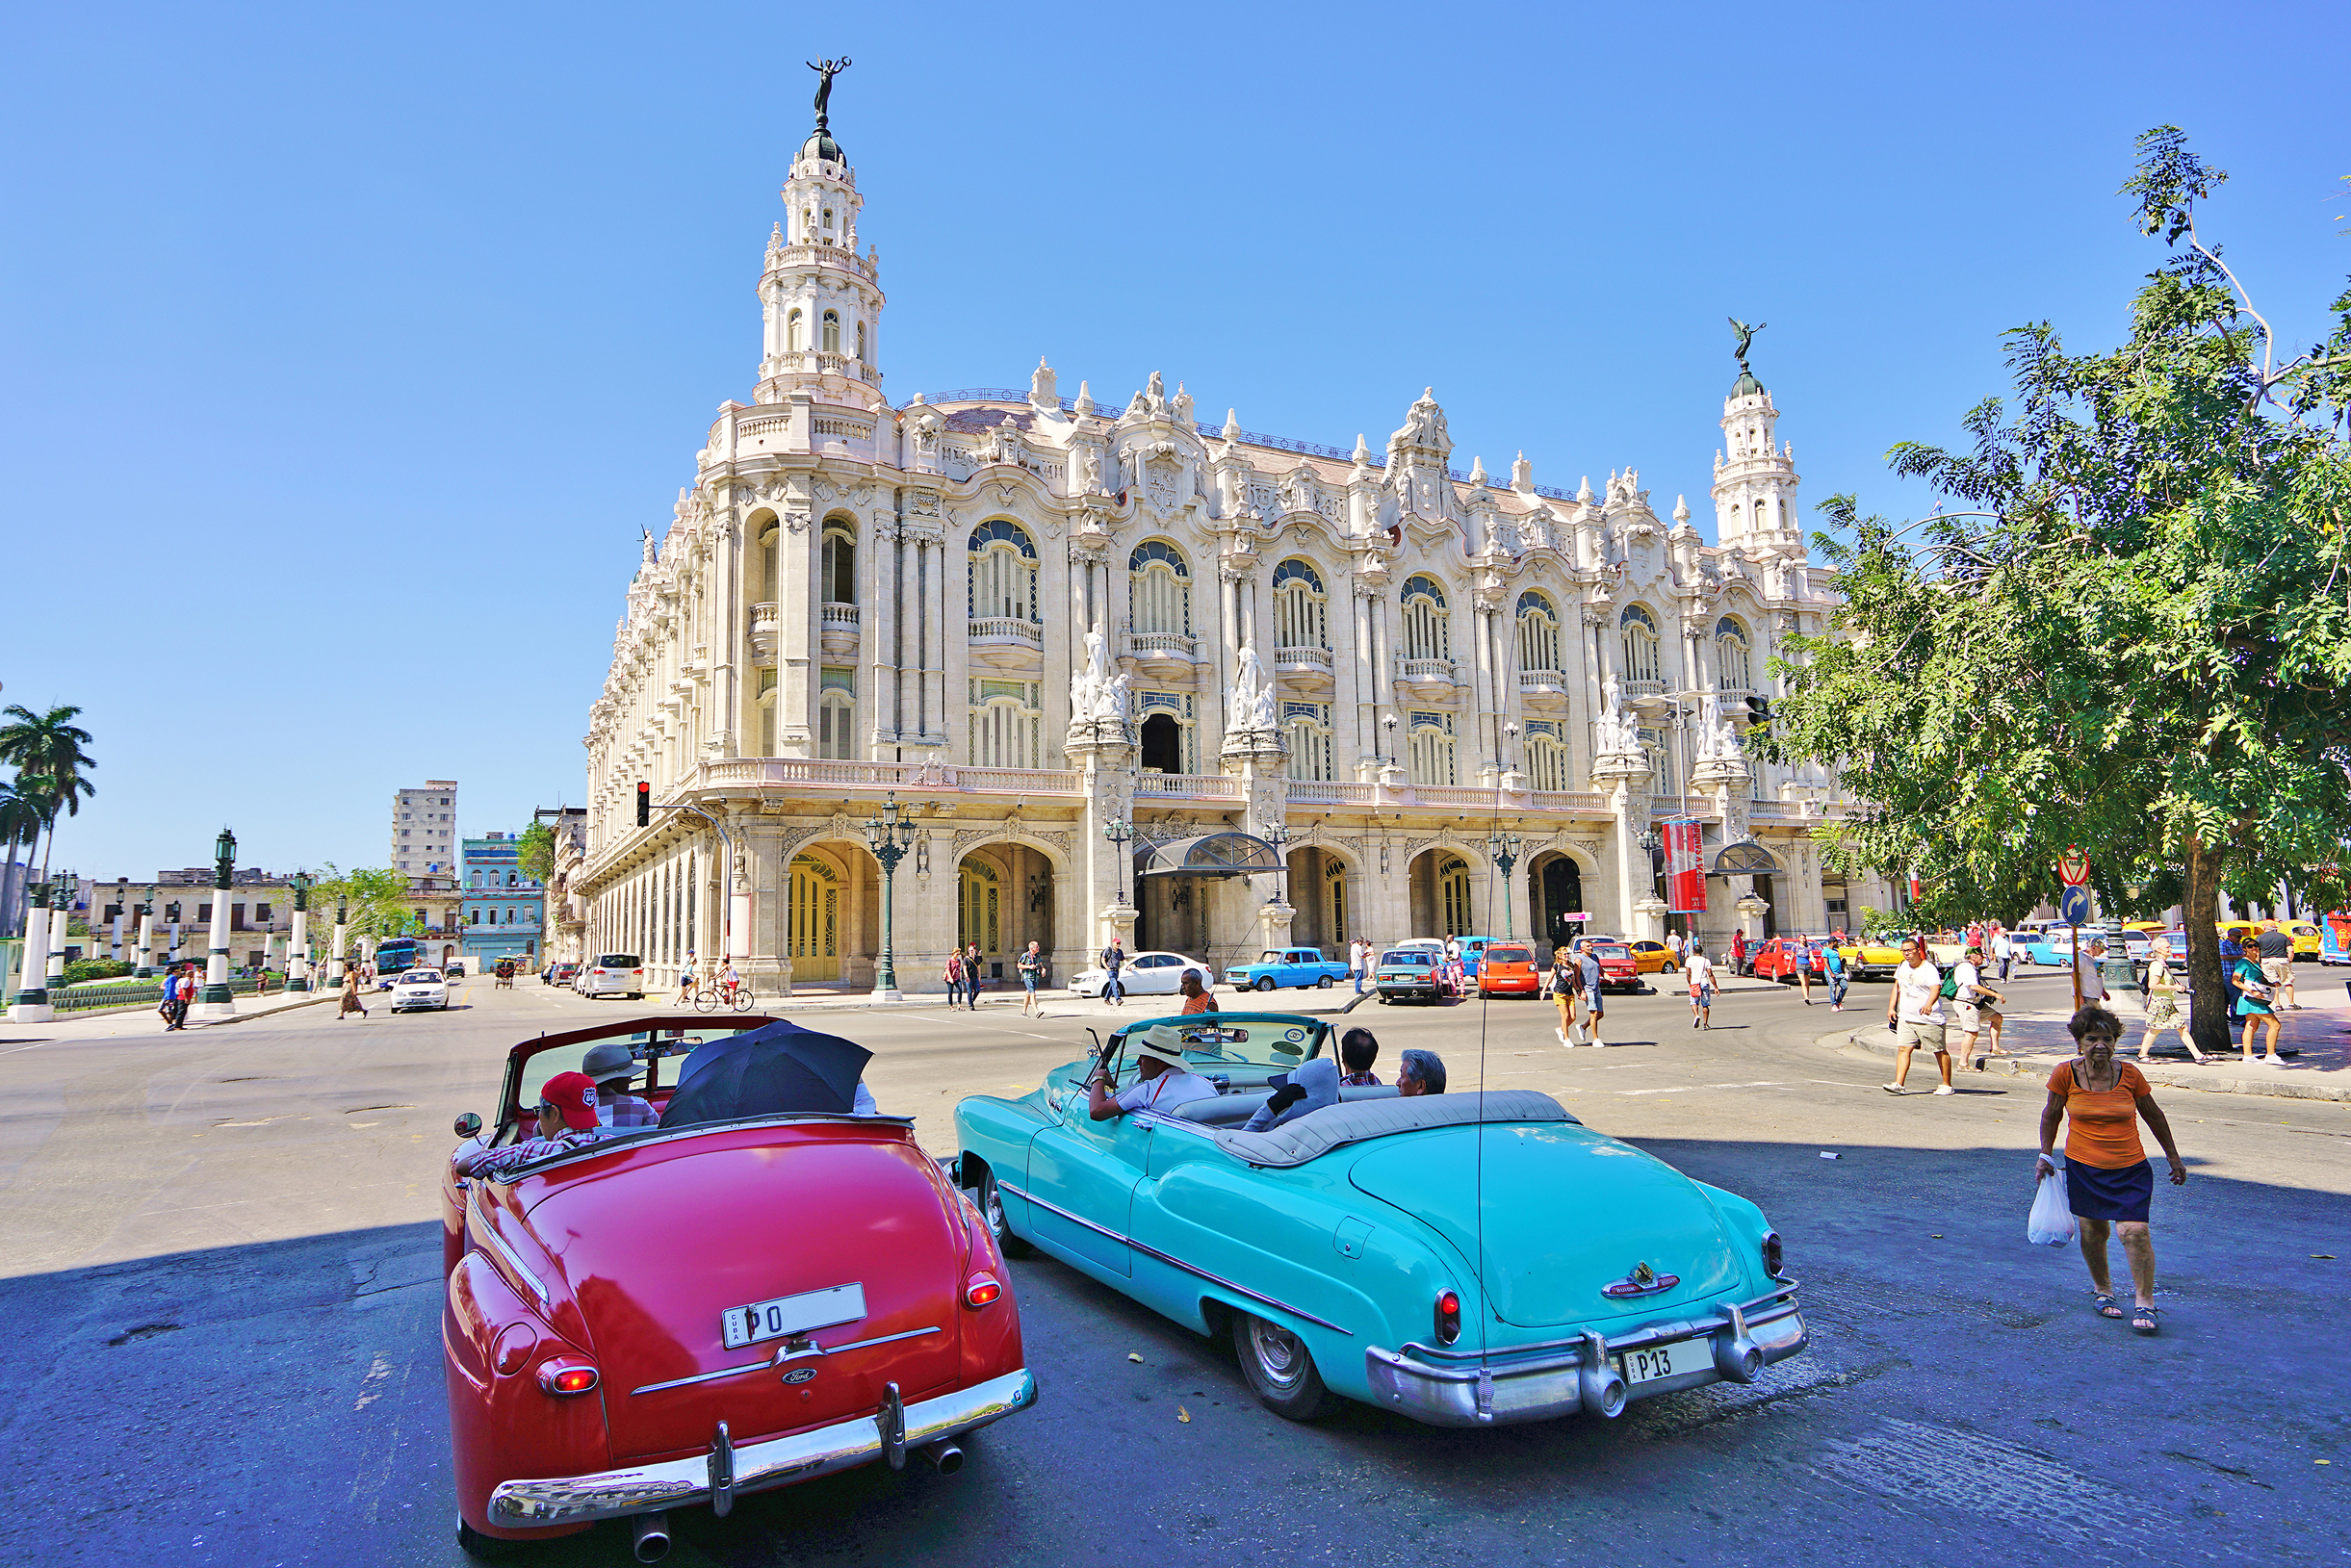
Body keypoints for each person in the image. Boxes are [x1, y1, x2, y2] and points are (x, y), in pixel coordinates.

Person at [2037, 1005, 2188, 1334]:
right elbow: (2051, 1115)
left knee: (2133, 1232)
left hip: (2129, 1167)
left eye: (2107, 1039)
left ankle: (2144, 1301)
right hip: (2084, 1166)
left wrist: (2173, 1158)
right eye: (2091, 1038)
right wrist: (2045, 1155)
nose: (2100, 1046)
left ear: (2116, 1042)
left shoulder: (2130, 1074)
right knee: (2094, 1232)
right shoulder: (2065, 1073)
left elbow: (2154, 1115)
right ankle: (2103, 1289)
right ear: (2079, 1042)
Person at [456, 1072, 614, 1179]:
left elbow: (464, 1167)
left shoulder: (534, 1150)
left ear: (554, 1114)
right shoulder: (614, 1142)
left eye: (539, 1110)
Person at [1087, 1028, 1218, 1118]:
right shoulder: (1205, 1083)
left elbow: (1097, 1111)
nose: (1138, 1062)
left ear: (1160, 1063)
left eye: (1143, 1057)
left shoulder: (1148, 1090)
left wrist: (1100, 1074)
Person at [1882, 936, 1952, 1095]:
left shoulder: (1929, 969)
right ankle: (1899, 1083)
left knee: (1939, 1050)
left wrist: (1929, 1004)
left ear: (1918, 951)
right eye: (1903, 951)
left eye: (1909, 950)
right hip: (1906, 1017)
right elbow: (1897, 987)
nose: (1906, 954)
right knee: (1903, 1049)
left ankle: (1946, 1084)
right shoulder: (1902, 966)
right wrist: (1892, 1008)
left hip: (1929, 1019)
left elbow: (1936, 988)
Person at [2136, 938, 2205, 1064]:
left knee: (2181, 1028)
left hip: (2167, 1002)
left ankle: (2198, 1056)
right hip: (2159, 1002)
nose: (2170, 949)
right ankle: (2142, 1054)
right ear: (2158, 949)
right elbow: (2153, 985)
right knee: (2154, 1029)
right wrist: (2174, 987)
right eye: (2167, 947)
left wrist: (2179, 987)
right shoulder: (2156, 965)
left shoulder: (2162, 964)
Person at [1244, 1056, 1340, 1132]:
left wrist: (1271, 1107)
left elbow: (1241, 1142)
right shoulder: (1339, 1128)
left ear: (1303, 1097)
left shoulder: (1283, 1134)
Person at [581, 1041, 659, 1129]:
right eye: (626, 1077)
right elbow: (659, 1134)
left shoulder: (577, 1110)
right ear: (613, 1081)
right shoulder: (639, 1106)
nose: (630, 1080)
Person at [1954, 945, 2009, 1070]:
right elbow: (1973, 986)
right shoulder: (1967, 968)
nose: (1983, 959)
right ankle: (1963, 1063)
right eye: (1981, 956)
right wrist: (1995, 994)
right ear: (1973, 957)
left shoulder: (1971, 967)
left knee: (1997, 1018)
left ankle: (1995, 1048)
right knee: (1971, 1033)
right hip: (1967, 1003)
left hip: (1976, 1002)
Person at [2234, 944, 2284, 1063]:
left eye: (2256, 945)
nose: (2254, 948)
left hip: (2254, 998)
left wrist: (2272, 984)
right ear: (2244, 949)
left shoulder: (2255, 962)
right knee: (2275, 1025)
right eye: (2250, 946)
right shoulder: (2243, 963)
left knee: (2251, 1026)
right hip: (2252, 999)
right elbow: (2235, 980)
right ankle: (2270, 1055)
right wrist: (2252, 991)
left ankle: (2248, 1056)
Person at [2256, 918, 2298, 1011]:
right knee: (2288, 981)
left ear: (2264, 927)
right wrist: (2289, 960)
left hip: (2266, 960)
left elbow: (2257, 952)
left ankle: (2278, 1005)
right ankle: (2291, 1003)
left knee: (2273, 983)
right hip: (2281, 959)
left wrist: (2258, 962)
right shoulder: (2282, 936)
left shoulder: (2260, 938)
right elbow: (2291, 950)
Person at [1578, 940, 1607, 1048]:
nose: (1591, 948)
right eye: (1588, 946)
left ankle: (1583, 1027)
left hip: (1596, 989)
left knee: (1600, 1014)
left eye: (1591, 946)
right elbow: (1576, 978)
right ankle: (1596, 1039)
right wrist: (1581, 991)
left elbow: (1601, 970)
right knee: (1593, 1013)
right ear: (1583, 948)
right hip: (1587, 989)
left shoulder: (1595, 957)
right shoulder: (1579, 959)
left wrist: (1609, 978)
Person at [1550, 948, 1581, 1045]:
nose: (1567, 956)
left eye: (1567, 954)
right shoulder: (1557, 965)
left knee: (1573, 1017)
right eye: (1565, 954)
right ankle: (1567, 1039)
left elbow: (1574, 981)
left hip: (1570, 994)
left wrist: (1578, 991)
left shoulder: (1571, 965)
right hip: (1559, 993)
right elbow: (1550, 978)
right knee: (1565, 1016)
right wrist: (1542, 991)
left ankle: (1560, 1029)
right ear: (1560, 956)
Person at [1686, 940, 1715, 1030]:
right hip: (1704, 982)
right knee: (1705, 1004)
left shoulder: (1689, 960)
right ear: (1702, 951)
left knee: (1694, 1002)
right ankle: (1705, 1024)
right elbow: (1710, 974)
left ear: (1694, 951)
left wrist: (1690, 983)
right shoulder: (1706, 960)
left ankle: (1696, 1015)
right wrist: (1716, 987)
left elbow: (1688, 974)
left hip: (1694, 982)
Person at [1017, 939, 1046, 1016]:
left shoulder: (1037, 956)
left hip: (1035, 977)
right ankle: (1036, 1012)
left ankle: (1024, 1011)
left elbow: (1041, 965)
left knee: (1028, 994)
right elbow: (1019, 965)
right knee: (1032, 994)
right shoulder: (1025, 956)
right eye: (1037, 946)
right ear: (1032, 948)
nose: (1038, 948)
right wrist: (1029, 967)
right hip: (1027, 977)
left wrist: (1043, 970)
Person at [1099, 936, 1126, 1007]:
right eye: (1117, 943)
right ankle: (1118, 999)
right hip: (1110, 970)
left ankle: (1106, 998)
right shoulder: (1108, 950)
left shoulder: (1120, 951)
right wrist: (1107, 968)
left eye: (1119, 943)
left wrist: (1128, 965)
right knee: (1115, 985)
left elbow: (1123, 959)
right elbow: (1103, 959)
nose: (1118, 945)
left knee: (1112, 985)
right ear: (1113, 943)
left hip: (1116, 970)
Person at [1823, 938, 1849, 1012]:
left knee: (1845, 987)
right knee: (1833, 989)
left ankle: (1838, 1001)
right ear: (1833, 942)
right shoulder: (1826, 951)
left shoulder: (1836, 950)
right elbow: (1826, 962)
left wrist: (1843, 971)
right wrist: (1831, 973)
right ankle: (1834, 1005)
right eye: (1836, 942)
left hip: (1839, 973)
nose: (1838, 944)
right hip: (1831, 973)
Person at [1792, 933, 1815, 1005]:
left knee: (1807, 983)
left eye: (1804, 938)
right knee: (1803, 982)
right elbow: (1792, 956)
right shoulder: (1796, 946)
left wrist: (1815, 963)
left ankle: (1807, 996)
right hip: (1799, 966)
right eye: (1801, 938)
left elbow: (1811, 956)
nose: (1803, 940)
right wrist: (1789, 966)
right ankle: (1806, 998)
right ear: (1799, 939)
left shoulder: (1808, 947)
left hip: (1807, 966)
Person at [963, 942, 986, 1009]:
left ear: (974, 951)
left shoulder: (976, 958)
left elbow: (978, 967)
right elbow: (964, 968)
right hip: (969, 977)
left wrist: (979, 976)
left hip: (975, 977)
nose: (971, 952)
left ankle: (971, 1001)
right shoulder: (966, 959)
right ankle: (971, 1005)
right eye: (969, 951)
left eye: (972, 950)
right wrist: (966, 976)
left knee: (977, 990)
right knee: (969, 992)